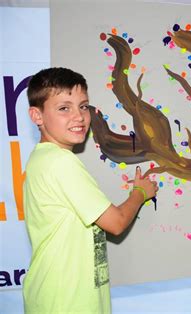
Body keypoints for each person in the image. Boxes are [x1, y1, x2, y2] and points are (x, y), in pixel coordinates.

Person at [22, 67, 158, 313]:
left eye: (83, 106)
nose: (79, 117)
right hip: (68, 303)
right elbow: (115, 223)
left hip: (53, 299)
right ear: (37, 115)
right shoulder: (61, 162)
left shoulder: (41, 159)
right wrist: (140, 192)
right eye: (64, 108)